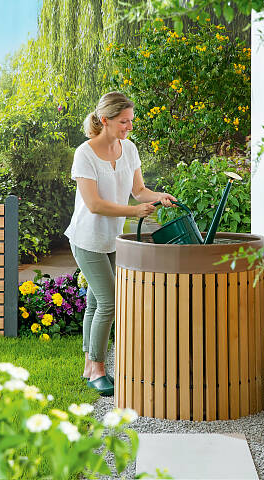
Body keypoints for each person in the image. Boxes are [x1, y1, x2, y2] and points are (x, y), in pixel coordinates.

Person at [65, 92, 176, 396]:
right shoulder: (85, 154)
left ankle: (89, 365)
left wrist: (159, 197)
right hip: (87, 239)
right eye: (124, 121)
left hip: (113, 239)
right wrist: (134, 211)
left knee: (95, 303)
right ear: (105, 121)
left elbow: (139, 190)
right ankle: (99, 369)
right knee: (110, 301)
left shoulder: (129, 149)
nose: (129, 126)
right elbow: (94, 204)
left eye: (131, 120)